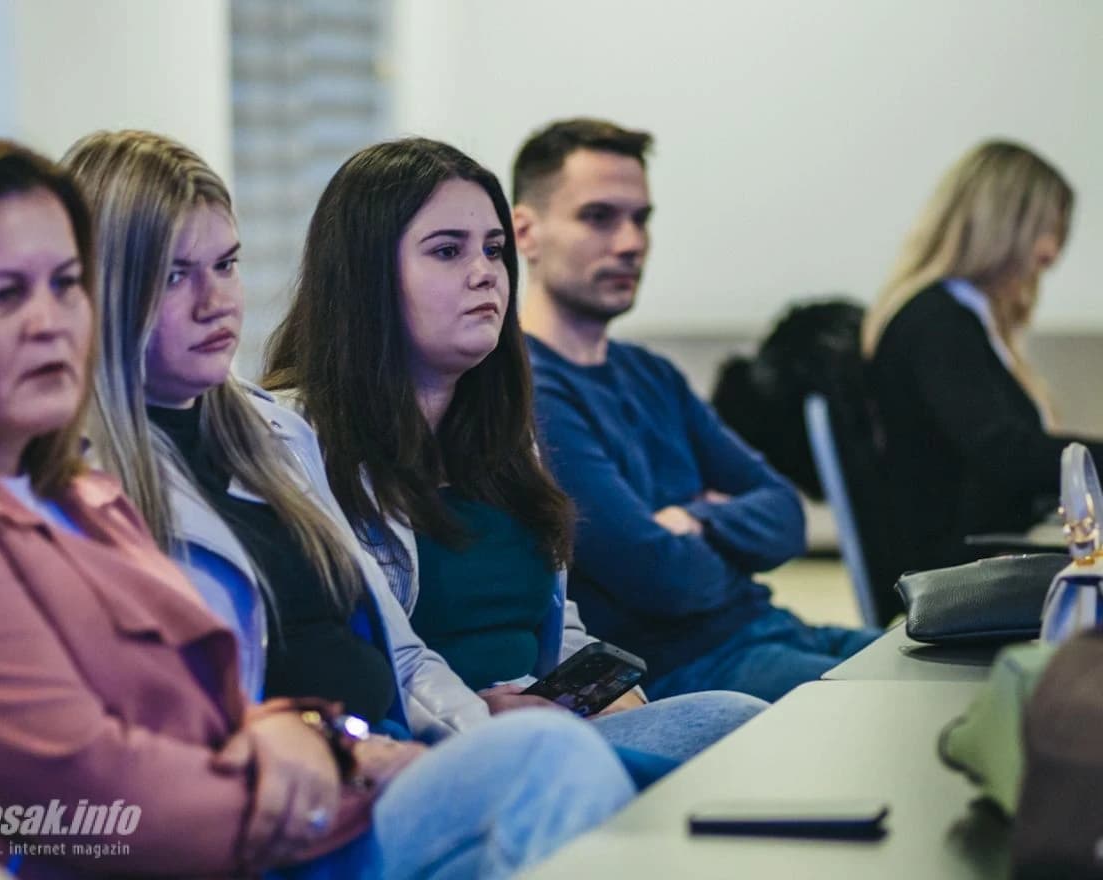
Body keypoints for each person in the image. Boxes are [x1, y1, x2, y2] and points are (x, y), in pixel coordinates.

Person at [0, 127, 634, 878]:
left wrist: (330, 740)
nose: (52, 322)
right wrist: (342, 772)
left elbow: (241, 703)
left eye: (66, 284)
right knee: (545, 767)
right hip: (258, 834)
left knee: (659, 740)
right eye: (6, 293)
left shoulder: (88, 486)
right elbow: (92, 800)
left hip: (319, 782)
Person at [263, 135, 766, 761]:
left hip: (547, 733)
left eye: (494, 251)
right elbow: (376, 660)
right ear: (365, 276)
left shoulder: (501, 431)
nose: (484, 273)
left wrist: (610, 698)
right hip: (428, 754)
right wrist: (487, 720)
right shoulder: (293, 441)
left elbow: (556, 629)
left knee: (743, 721)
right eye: (448, 251)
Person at [64, 129, 488, 743]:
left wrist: (476, 742)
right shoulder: (82, 483)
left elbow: (404, 656)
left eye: (226, 265)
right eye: (176, 276)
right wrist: (344, 759)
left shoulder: (278, 434)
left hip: (398, 751)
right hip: (296, 799)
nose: (217, 303)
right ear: (103, 289)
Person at [509, 118, 878, 703]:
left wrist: (697, 521)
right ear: (524, 232)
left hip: (773, 631)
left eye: (641, 219)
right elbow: (662, 577)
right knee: (898, 702)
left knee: (958, 665)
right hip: (688, 672)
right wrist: (719, 540)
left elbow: (787, 515)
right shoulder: (526, 391)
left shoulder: (652, 374)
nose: (630, 242)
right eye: (599, 217)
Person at [863, 139, 1103, 574]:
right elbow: (1004, 452)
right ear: (1000, 225)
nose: (1052, 253)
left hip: (982, 552)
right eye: (1045, 231)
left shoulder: (957, 316)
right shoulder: (937, 323)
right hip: (961, 569)